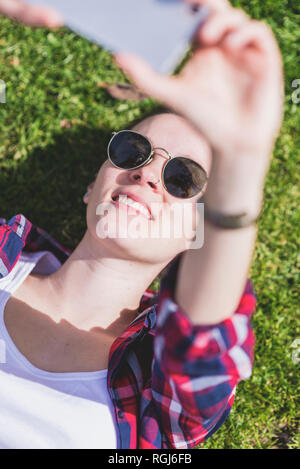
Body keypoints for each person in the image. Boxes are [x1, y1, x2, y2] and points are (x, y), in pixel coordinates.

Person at [0, 0, 283, 449]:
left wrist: (244, 161)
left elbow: (204, 347)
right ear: (92, 188)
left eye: (182, 179)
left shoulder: (154, 387)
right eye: (133, 151)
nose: (148, 174)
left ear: (197, 233)